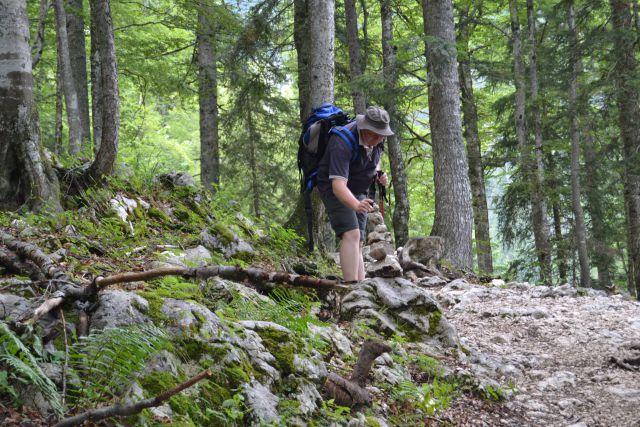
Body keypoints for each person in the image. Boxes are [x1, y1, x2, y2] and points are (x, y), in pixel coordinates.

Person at [316, 106, 392, 282]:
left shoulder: (378, 138)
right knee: (351, 234)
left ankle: (361, 286)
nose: (380, 138)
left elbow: (376, 158)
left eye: (382, 134)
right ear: (364, 128)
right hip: (335, 188)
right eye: (376, 134)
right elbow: (338, 185)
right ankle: (351, 287)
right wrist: (356, 205)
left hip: (359, 187)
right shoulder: (341, 141)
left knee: (359, 240)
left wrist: (378, 174)